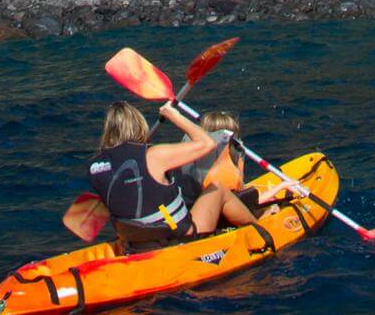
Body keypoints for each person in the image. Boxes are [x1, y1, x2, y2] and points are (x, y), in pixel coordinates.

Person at [88, 102, 257, 247]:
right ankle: (259, 227)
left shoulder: (95, 167)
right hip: (178, 238)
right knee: (218, 188)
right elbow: (208, 143)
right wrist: (174, 115)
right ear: (139, 125)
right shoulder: (154, 155)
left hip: (135, 242)